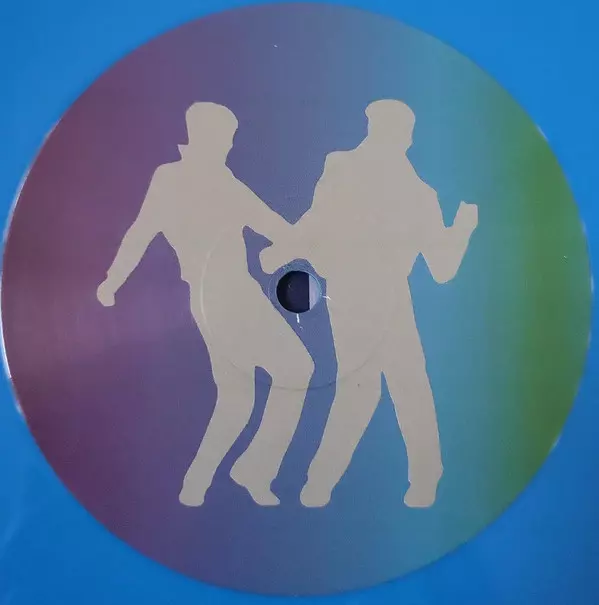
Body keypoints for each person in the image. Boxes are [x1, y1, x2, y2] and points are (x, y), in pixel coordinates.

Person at [260, 99, 478, 508]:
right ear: (405, 137)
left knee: (371, 390)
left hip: (369, 294)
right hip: (366, 294)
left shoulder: (387, 181)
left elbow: (316, 222)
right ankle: (348, 482)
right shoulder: (410, 189)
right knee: (386, 389)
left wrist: (284, 249)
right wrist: (462, 229)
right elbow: (444, 268)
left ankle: (324, 484)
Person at [97, 102, 314, 507]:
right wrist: (112, 280)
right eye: (225, 138)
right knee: (272, 381)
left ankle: (211, 479)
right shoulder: (181, 180)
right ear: (205, 136)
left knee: (249, 394)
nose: (229, 145)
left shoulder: (221, 181)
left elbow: (272, 225)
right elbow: (140, 234)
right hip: (220, 298)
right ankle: (241, 472)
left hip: (237, 293)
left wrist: (302, 240)